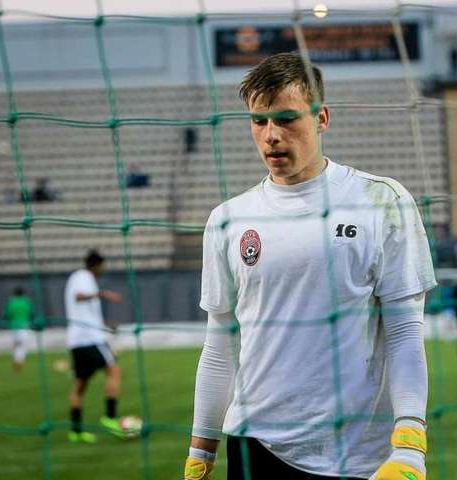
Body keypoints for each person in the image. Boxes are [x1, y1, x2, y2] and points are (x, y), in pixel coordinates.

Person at [185, 52, 436, 480]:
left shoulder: (382, 201)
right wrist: (201, 451)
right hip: (254, 444)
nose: (271, 135)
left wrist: (411, 444)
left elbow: (404, 332)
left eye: (286, 119)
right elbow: (220, 345)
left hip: (357, 454)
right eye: (259, 121)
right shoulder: (228, 219)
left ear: (321, 118)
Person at [64, 250, 124, 443]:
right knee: (114, 371)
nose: (104, 269)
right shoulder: (84, 276)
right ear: (97, 265)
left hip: (77, 340)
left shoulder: (79, 278)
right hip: (91, 339)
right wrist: (103, 294)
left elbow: (83, 311)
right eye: (103, 266)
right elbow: (79, 296)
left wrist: (105, 324)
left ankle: (76, 431)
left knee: (80, 386)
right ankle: (110, 417)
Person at [3, 286, 33, 371]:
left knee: (16, 344)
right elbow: (31, 313)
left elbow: (7, 314)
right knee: (23, 345)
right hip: (24, 326)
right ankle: (19, 361)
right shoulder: (26, 301)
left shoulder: (11, 302)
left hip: (14, 326)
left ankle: (16, 360)